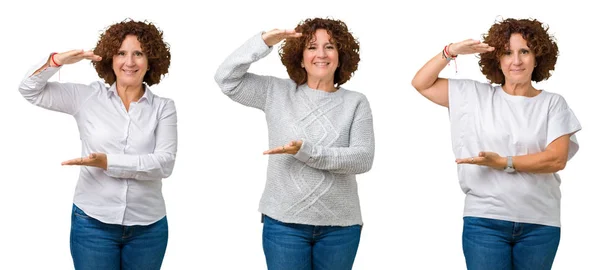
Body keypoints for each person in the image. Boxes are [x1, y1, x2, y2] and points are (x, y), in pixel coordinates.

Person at [411, 18, 581, 269]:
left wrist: (503, 162)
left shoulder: (552, 104)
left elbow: (556, 159)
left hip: (540, 224)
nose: (516, 61)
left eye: (524, 51)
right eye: (508, 52)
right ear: (497, 59)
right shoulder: (474, 96)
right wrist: (450, 52)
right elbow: (421, 83)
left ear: (537, 57)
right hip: (485, 221)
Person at [214, 17, 374, 270]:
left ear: (340, 55)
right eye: (311, 47)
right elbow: (226, 79)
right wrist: (263, 41)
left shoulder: (356, 102)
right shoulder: (275, 92)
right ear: (300, 57)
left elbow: (362, 159)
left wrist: (306, 152)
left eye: (329, 46)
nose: (320, 54)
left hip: (340, 228)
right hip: (283, 224)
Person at [18, 19, 176, 270]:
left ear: (151, 60)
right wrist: (56, 62)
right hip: (93, 225)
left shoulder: (163, 108)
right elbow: (29, 90)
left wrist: (107, 162)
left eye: (139, 53)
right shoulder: (87, 97)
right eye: (121, 53)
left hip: (148, 229)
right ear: (110, 58)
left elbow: (164, 164)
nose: (130, 62)